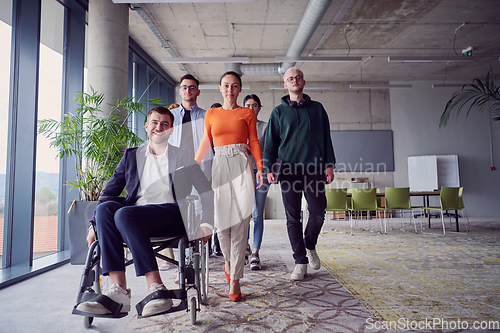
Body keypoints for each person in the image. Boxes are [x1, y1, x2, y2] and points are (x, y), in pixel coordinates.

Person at [77, 106, 213, 317]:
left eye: (165, 124)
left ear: (171, 130)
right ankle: (118, 290)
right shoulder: (132, 156)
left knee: (124, 213)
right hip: (133, 219)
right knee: (106, 209)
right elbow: (108, 193)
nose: (159, 127)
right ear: (147, 127)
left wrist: (206, 222)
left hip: (172, 214)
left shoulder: (183, 156)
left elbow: (206, 190)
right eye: (155, 123)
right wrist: (93, 225)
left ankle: (157, 287)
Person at [195, 71, 265, 301]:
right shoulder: (211, 113)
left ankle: (235, 279)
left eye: (235, 86)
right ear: (220, 87)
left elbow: (253, 141)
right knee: (221, 221)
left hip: (242, 163)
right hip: (219, 164)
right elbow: (207, 140)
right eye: (226, 85)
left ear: (239, 89)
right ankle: (227, 259)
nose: (230, 90)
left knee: (241, 219)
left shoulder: (246, 113)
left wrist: (260, 169)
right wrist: (194, 166)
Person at [263, 67, 336, 281]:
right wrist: (268, 168)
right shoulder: (278, 112)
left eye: (298, 77)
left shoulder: (318, 109)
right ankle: (300, 261)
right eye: (290, 79)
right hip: (288, 170)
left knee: (319, 212)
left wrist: (329, 164)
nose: (294, 81)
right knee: (293, 217)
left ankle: (309, 244)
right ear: (285, 85)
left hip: (314, 168)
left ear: (303, 81)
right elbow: (270, 144)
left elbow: (326, 139)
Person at [243, 94, 269, 270]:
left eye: (254, 105)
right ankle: (243, 247)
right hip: (241, 173)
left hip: (261, 173)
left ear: (259, 108)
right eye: (248, 105)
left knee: (257, 213)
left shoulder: (266, 127)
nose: (251, 108)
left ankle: (255, 253)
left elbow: (270, 151)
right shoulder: (238, 126)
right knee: (243, 214)